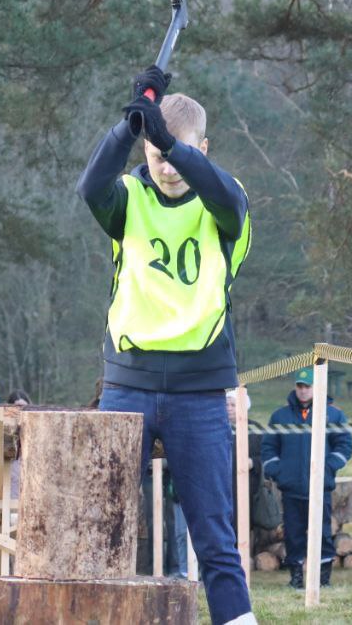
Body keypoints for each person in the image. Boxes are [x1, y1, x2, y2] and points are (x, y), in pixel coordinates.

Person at [77, 67, 255, 625]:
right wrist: (127, 129)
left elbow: (223, 192)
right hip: (125, 387)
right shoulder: (128, 197)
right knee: (100, 531)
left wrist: (171, 144)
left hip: (198, 392)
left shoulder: (227, 204)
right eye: (156, 156)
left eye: (177, 155)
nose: (166, 167)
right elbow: (90, 187)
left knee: (215, 537)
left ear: (202, 149)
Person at [260, 368, 352, 589]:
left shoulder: (333, 415)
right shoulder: (280, 416)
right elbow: (268, 447)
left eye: (307, 386)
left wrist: (328, 467)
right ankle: (296, 577)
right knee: (293, 534)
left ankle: (323, 578)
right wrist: (277, 470)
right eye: (300, 386)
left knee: (322, 532)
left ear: (316, 387)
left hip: (320, 487)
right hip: (291, 487)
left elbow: (344, 445)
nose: (303, 391)